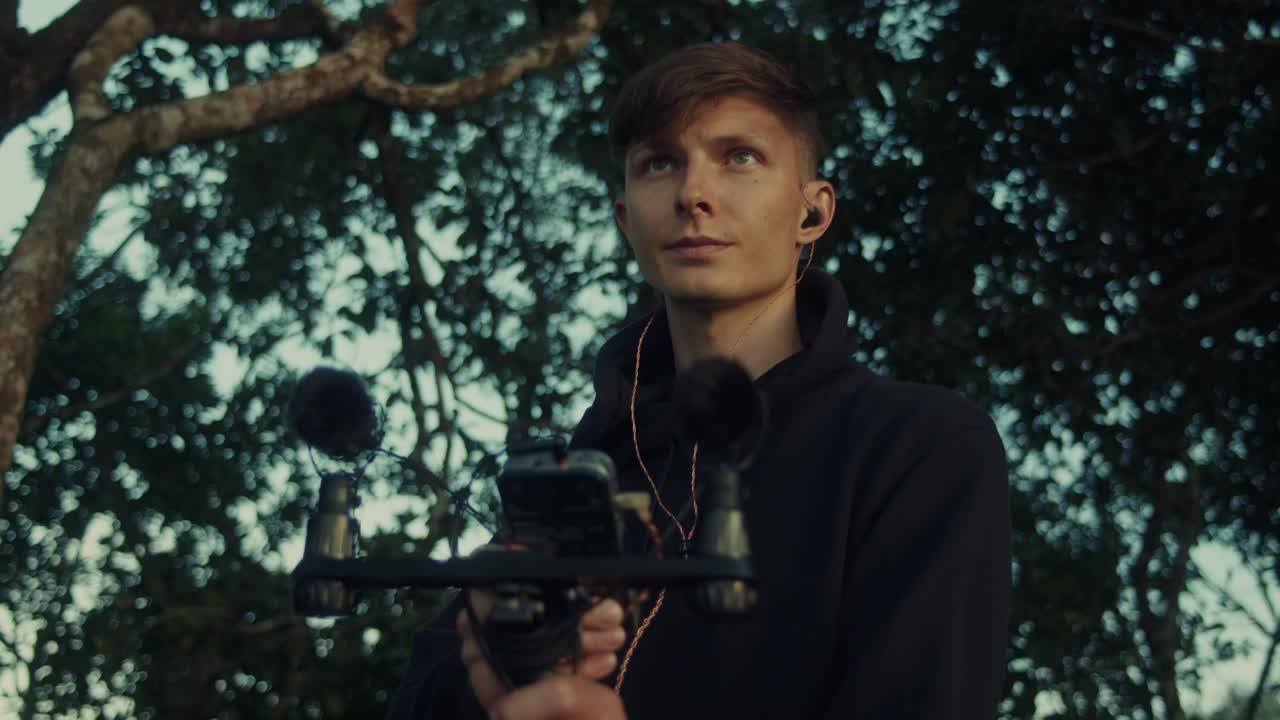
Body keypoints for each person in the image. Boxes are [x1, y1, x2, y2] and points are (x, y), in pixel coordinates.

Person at [387, 41, 1011, 720]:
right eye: (660, 164)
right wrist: (499, 676)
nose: (694, 195)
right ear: (626, 219)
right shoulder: (575, 484)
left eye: (739, 157)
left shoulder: (917, 445)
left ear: (813, 212)